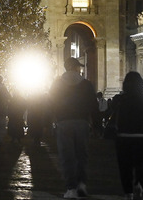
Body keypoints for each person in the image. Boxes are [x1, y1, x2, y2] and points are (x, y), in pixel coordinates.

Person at [51, 57, 97, 199]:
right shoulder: (86, 84)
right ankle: (82, 184)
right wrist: (95, 124)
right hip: (82, 122)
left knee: (67, 157)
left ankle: (71, 188)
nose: (80, 69)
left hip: (64, 123)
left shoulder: (57, 84)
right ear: (75, 68)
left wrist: (53, 120)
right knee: (82, 155)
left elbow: (51, 103)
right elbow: (93, 105)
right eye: (79, 67)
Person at [112, 71, 143, 200]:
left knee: (125, 166)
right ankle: (140, 184)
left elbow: (113, 112)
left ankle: (128, 192)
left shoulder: (119, 99)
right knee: (142, 163)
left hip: (124, 135)